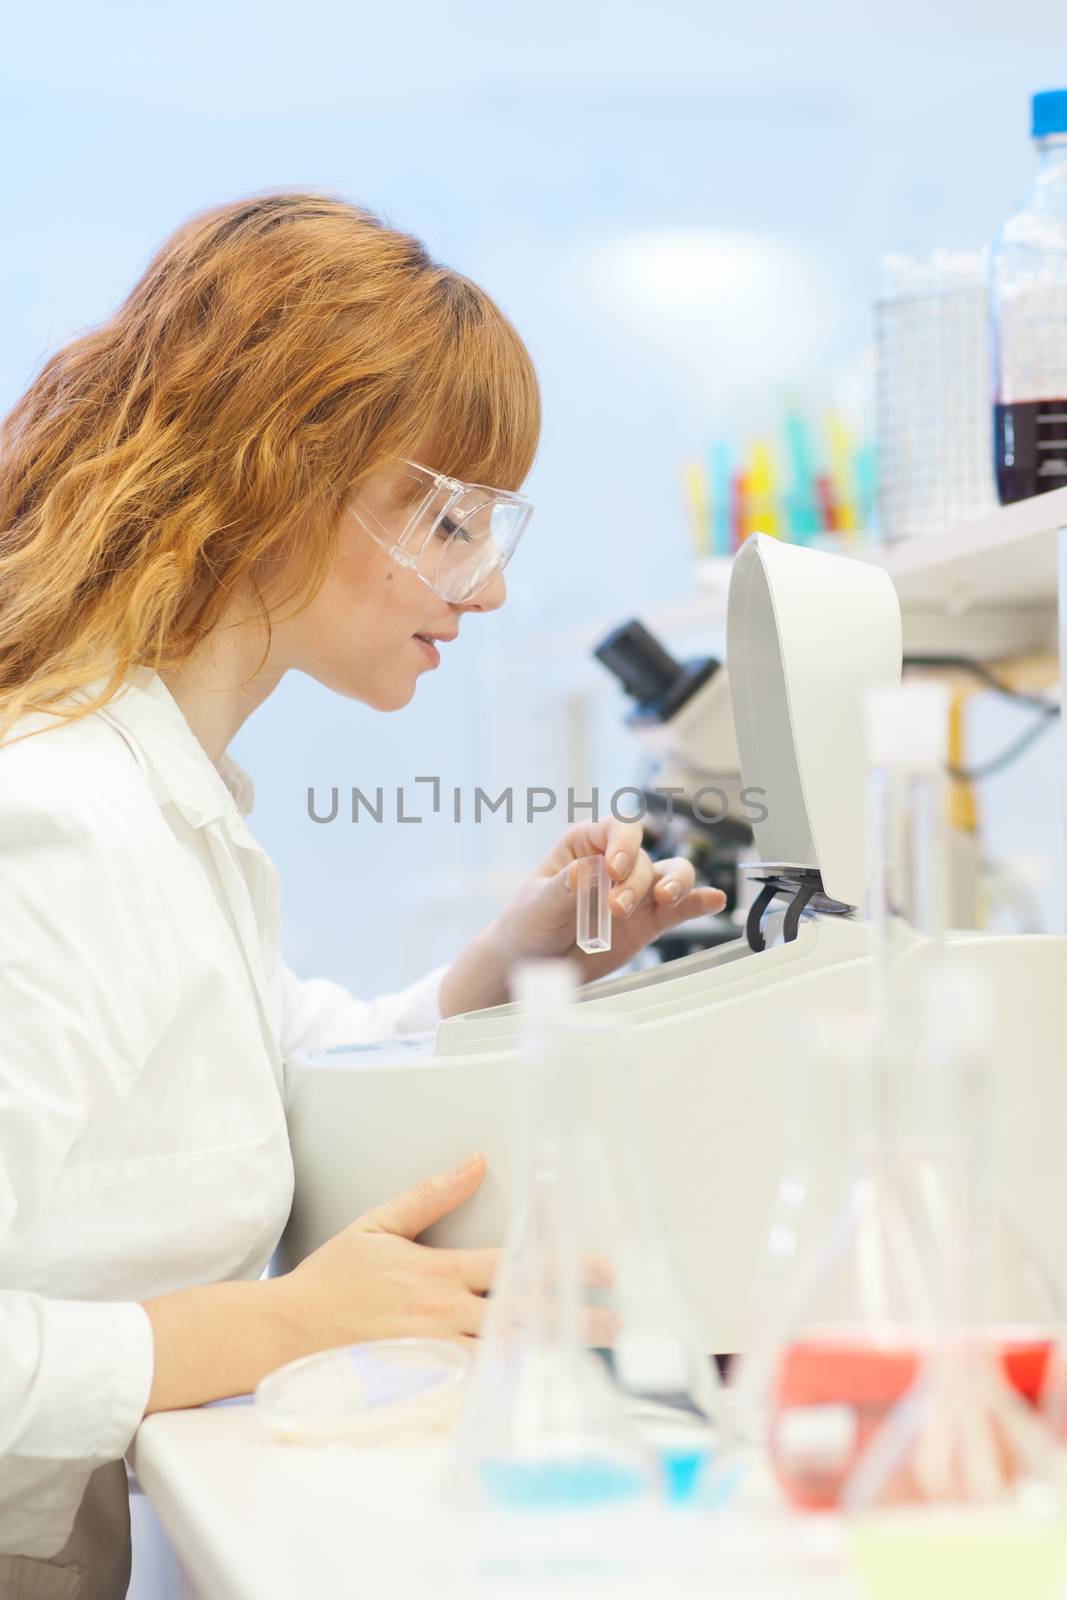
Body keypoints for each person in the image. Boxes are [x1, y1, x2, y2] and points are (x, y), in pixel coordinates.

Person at [0, 192, 725, 1597]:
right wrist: (275, 1327)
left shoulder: (165, 806)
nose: (487, 586)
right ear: (278, 473)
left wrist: (515, 967)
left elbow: (257, 1069)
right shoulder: (56, 824)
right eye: (446, 519)